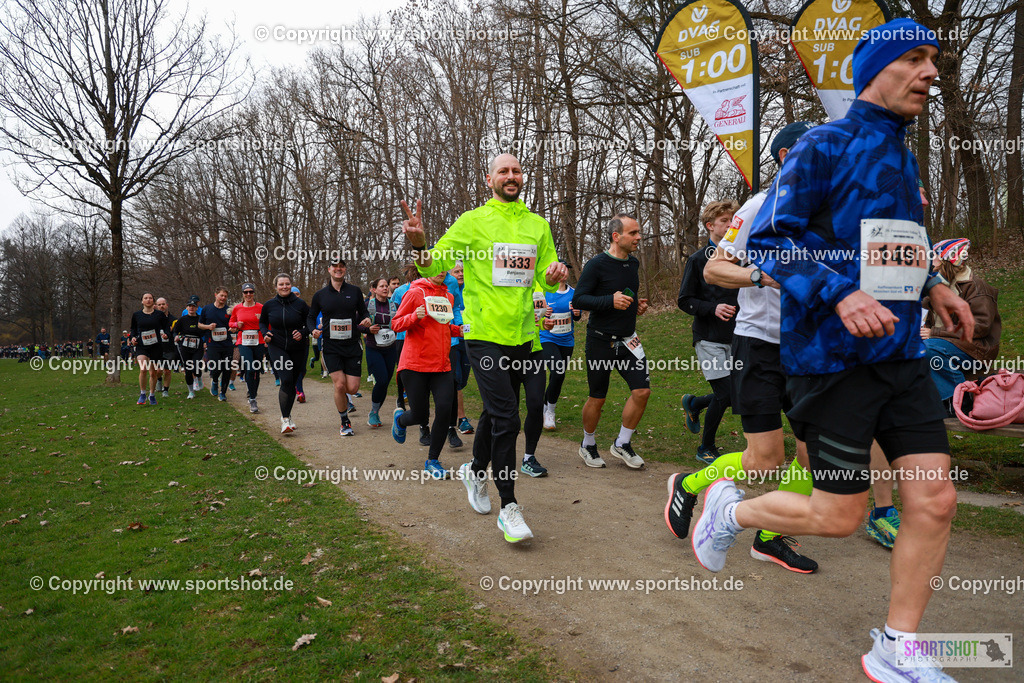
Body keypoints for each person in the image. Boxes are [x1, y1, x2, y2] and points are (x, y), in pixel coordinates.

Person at [690, 21, 973, 682]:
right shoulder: (823, 143)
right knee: (840, 515)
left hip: (901, 355)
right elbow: (770, 242)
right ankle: (729, 507)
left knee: (934, 500)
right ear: (875, 67)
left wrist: (933, 285)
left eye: (934, 59)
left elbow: (893, 244)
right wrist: (841, 293)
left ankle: (896, 647)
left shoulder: (904, 155)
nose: (931, 72)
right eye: (915, 58)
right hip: (833, 359)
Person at [666, 123, 819, 574]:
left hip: (809, 350)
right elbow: (715, 271)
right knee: (764, 462)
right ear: (787, 155)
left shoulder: (828, 212)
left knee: (813, 452)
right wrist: (762, 276)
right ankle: (689, 484)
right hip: (760, 346)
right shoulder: (757, 207)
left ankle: (770, 537)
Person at [401, 153, 567, 543]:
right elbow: (431, 265)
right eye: (503, 171)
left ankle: (475, 470)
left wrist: (555, 273)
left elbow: (547, 273)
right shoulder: (473, 222)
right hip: (484, 336)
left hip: (527, 337)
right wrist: (421, 244)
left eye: (516, 171)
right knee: (508, 417)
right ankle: (508, 506)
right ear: (488, 179)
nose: (511, 176)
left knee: (498, 413)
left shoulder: (537, 225)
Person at [572, 214, 650, 470]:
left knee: (642, 391)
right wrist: (609, 301)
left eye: (639, 232)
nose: (639, 237)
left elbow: (626, 295)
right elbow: (580, 300)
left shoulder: (634, 264)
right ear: (617, 236)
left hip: (629, 341)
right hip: (600, 342)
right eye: (633, 233)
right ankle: (588, 444)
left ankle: (622, 443)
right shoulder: (596, 265)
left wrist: (635, 306)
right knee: (598, 397)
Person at [679, 200, 740, 463]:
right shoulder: (697, 260)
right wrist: (712, 308)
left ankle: (695, 404)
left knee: (736, 391)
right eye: (724, 220)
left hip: (738, 337)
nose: (730, 224)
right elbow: (684, 300)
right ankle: (705, 447)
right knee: (727, 394)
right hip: (708, 337)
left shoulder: (740, 256)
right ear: (710, 226)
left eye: (732, 220)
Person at [390, 270, 464, 478]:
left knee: (444, 410)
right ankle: (401, 421)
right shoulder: (414, 293)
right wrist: (414, 316)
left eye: (444, 269)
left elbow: (444, 327)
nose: (440, 273)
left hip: (441, 365)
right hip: (415, 365)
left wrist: (460, 330)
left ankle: (432, 461)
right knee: (420, 415)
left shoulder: (448, 295)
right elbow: (396, 323)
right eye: (436, 268)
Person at [922, 237, 1000, 415]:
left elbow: (980, 327)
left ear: (946, 260)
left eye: (934, 257)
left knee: (929, 348)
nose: (929, 261)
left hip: (977, 350)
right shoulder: (938, 287)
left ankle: (960, 401)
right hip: (949, 345)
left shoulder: (976, 287)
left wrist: (934, 333)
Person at [308, 259, 371, 436]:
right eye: (335, 267)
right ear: (329, 270)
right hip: (331, 346)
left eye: (341, 266)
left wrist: (366, 319)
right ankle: (344, 421)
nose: (338, 269)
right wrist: (313, 329)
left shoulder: (355, 291)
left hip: (352, 345)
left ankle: (346, 404)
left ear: (344, 269)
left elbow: (363, 312)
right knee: (340, 385)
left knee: (352, 388)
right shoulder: (320, 295)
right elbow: (310, 317)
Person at [260, 274, 310, 434]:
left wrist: (303, 332)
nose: (284, 287)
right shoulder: (269, 305)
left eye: (287, 284)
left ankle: (287, 416)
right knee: (286, 379)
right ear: (276, 286)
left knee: (293, 382)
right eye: (281, 284)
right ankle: (285, 419)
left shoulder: (300, 304)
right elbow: (262, 322)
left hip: (298, 347)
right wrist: (265, 333)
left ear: (291, 285)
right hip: (277, 345)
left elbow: (310, 322)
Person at [539, 264, 582, 430]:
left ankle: (545, 405)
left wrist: (577, 314)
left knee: (558, 376)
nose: (564, 273)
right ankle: (550, 412)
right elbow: (536, 315)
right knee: (557, 372)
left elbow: (576, 317)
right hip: (547, 338)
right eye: (561, 270)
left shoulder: (574, 293)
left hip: (567, 341)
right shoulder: (545, 292)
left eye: (566, 270)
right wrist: (544, 313)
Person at [364, 277, 399, 428]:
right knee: (382, 380)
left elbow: (401, 321)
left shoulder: (395, 305)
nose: (385, 288)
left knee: (385, 383)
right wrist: (367, 329)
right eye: (382, 286)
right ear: (374, 289)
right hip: (373, 347)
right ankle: (373, 412)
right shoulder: (367, 305)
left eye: (386, 286)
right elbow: (357, 324)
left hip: (390, 347)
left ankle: (376, 411)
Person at [129, 292, 171, 405]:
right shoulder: (137, 315)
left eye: (150, 298)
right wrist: (133, 337)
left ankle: (152, 395)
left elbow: (167, 326)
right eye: (145, 298)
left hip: (156, 346)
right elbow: (133, 329)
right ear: (142, 301)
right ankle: (142, 394)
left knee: (153, 373)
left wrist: (166, 334)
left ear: (153, 301)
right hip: (142, 345)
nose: (148, 300)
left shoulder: (159, 315)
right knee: (143, 369)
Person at [230, 283, 265, 413]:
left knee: (256, 369)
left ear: (254, 293)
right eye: (246, 292)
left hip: (258, 340)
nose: (248, 294)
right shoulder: (237, 308)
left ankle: (252, 393)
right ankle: (253, 400)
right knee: (250, 368)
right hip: (243, 341)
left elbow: (267, 323)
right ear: (243, 294)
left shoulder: (261, 307)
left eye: (251, 292)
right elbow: (231, 322)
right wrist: (236, 324)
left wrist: (266, 334)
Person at [449, 261, 475, 435]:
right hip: (451, 340)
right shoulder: (448, 288)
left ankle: (451, 409)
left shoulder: (472, 289)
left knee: (463, 380)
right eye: (456, 271)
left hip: (469, 339)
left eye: (462, 271)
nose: (460, 273)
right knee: (456, 380)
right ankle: (461, 419)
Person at [198, 287, 233, 402]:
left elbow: (233, 325)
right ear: (215, 295)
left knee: (227, 369)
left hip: (227, 344)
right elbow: (199, 325)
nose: (223, 298)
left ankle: (223, 392)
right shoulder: (207, 309)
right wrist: (208, 327)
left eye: (225, 296)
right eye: (221, 295)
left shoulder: (229, 310)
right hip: (212, 344)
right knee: (217, 367)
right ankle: (214, 381)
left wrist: (233, 328)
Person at [175, 296, 205, 399]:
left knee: (196, 365)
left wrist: (205, 341)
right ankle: (191, 391)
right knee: (188, 369)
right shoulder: (182, 319)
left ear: (197, 308)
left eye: (193, 306)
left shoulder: (200, 319)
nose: (191, 308)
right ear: (186, 308)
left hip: (198, 345)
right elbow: (175, 331)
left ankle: (198, 377)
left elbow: (205, 331)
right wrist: (176, 336)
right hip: (185, 346)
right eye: (190, 306)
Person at [155, 297, 177, 398]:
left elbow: (177, 333)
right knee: (158, 370)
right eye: (159, 305)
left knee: (167, 371)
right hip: (157, 348)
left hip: (169, 348)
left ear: (167, 305)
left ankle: (166, 390)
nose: (161, 306)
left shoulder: (173, 319)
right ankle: (159, 379)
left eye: (163, 304)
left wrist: (173, 334)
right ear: (156, 306)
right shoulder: (153, 319)